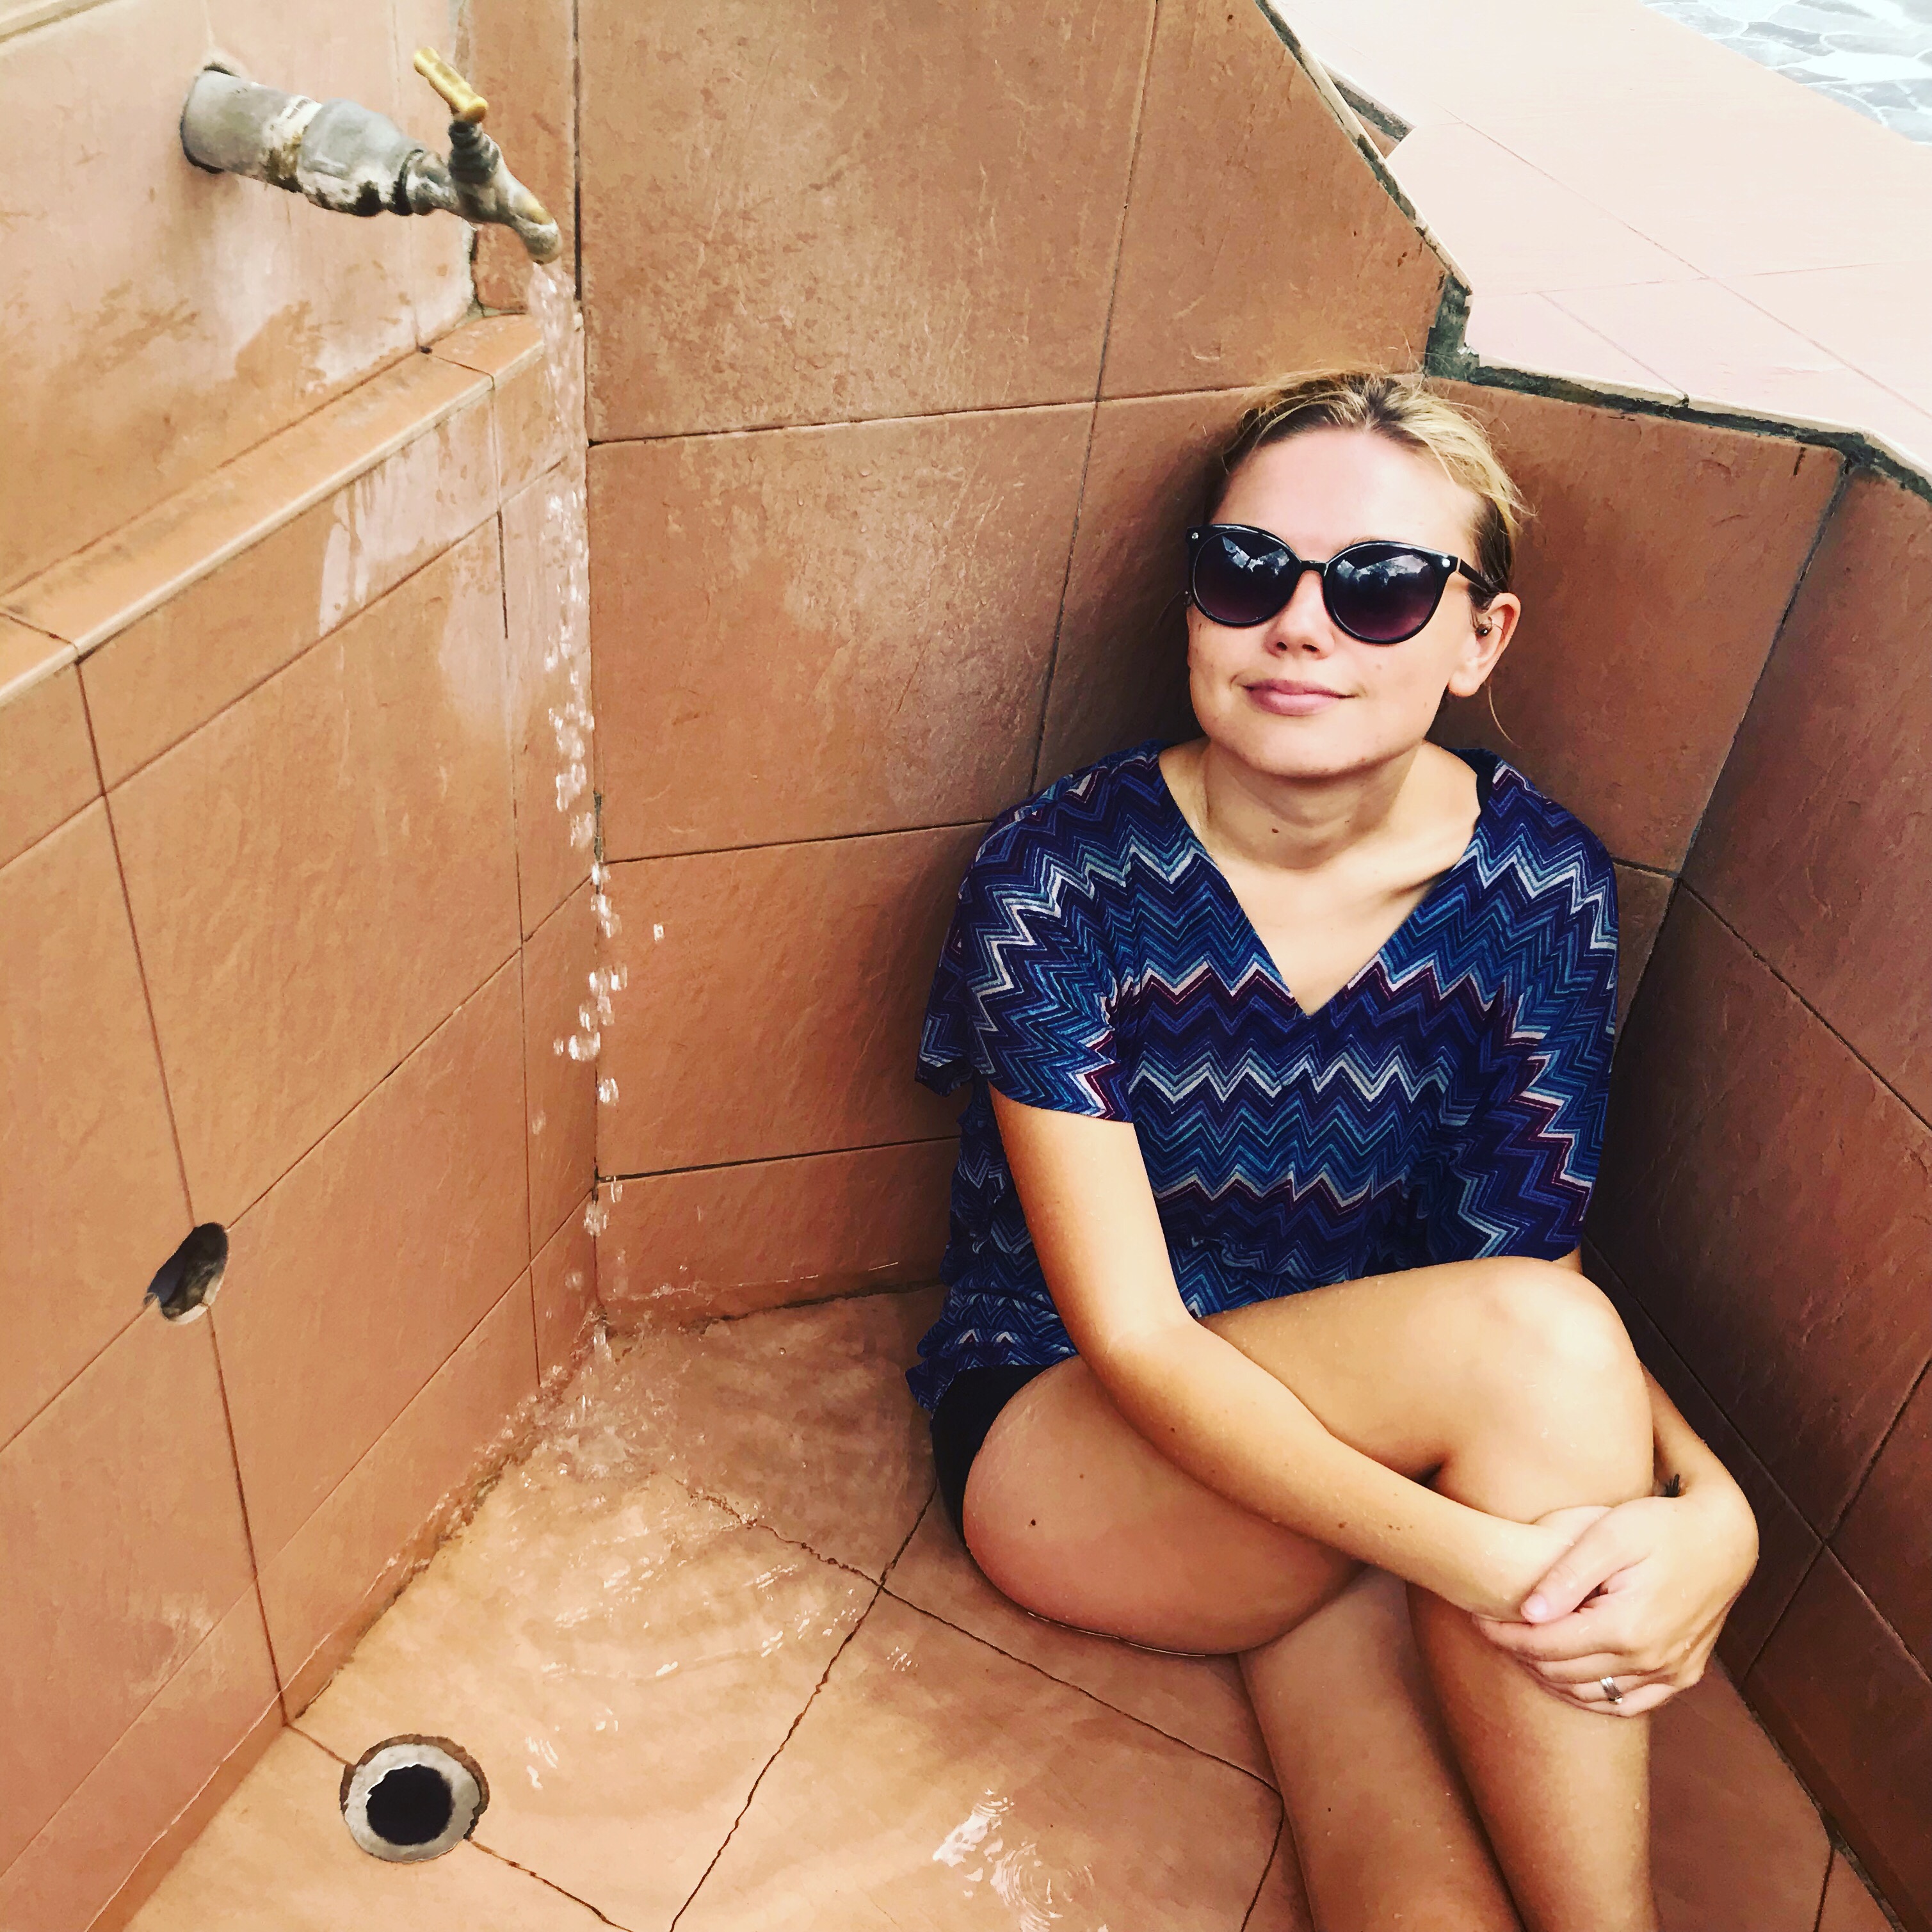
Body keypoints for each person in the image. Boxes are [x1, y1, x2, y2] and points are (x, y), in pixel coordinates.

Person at [906, 371, 1760, 1932]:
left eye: (1379, 588)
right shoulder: (1058, 879)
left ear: (1476, 636)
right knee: (1533, 1389)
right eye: (1250, 572)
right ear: (1196, 604)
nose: (1299, 624)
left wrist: (1720, 1509)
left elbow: (1523, 1278)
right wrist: (1486, 1570)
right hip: (1085, 1447)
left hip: (1363, 1470)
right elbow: (1144, 1340)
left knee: (1410, 1875)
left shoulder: (1538, 889)